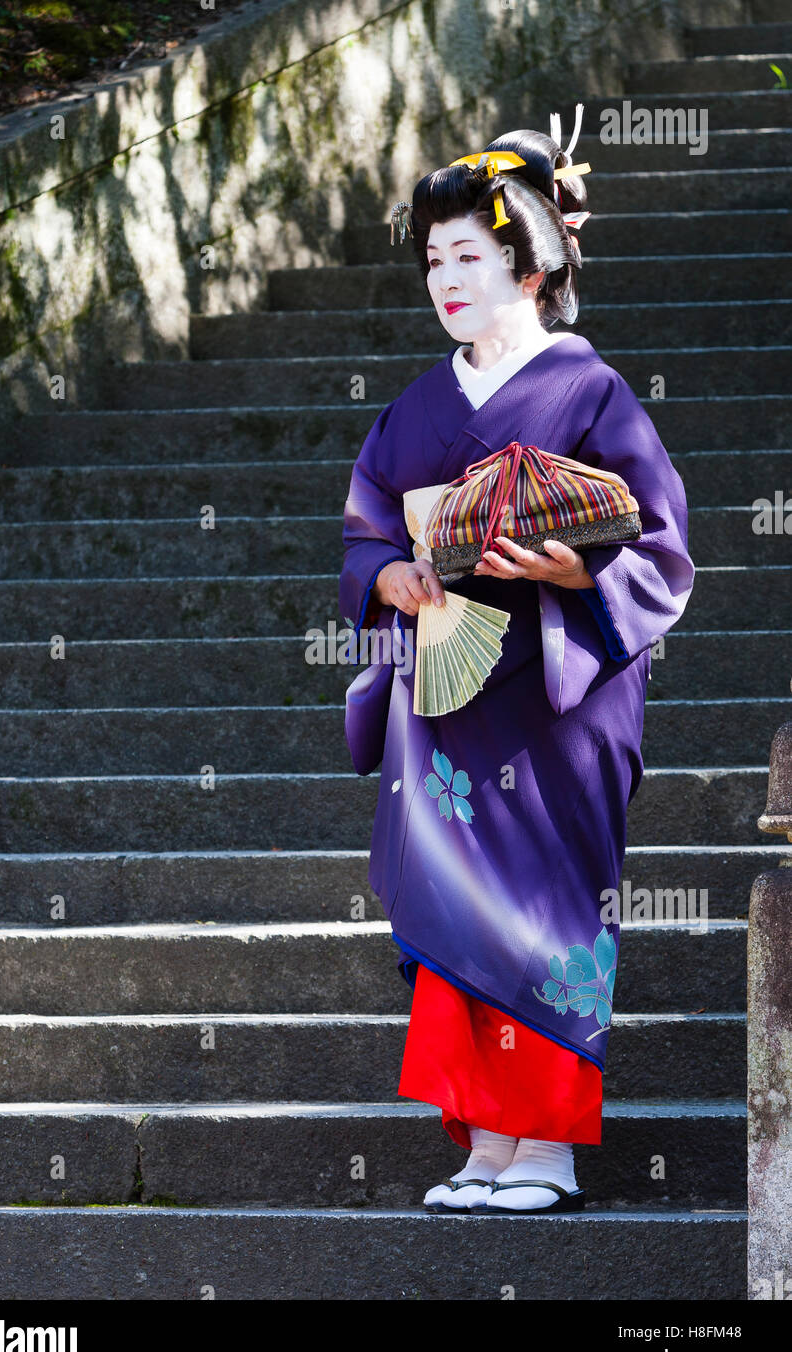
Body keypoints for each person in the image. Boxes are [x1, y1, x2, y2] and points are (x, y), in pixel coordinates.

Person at [338, 111, 695, 1214]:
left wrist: (570, 574)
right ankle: (485, 1144)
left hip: (552, 694)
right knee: (457, 916)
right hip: (445, 694)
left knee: (540, 907)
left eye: (470, 257)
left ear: (529, 267)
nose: (445, 278)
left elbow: (662, 545)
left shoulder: (589, 393)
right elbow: (365, 527)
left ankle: (543, 1148)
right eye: (433, 258)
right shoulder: (413, 407)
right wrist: (385, 578)